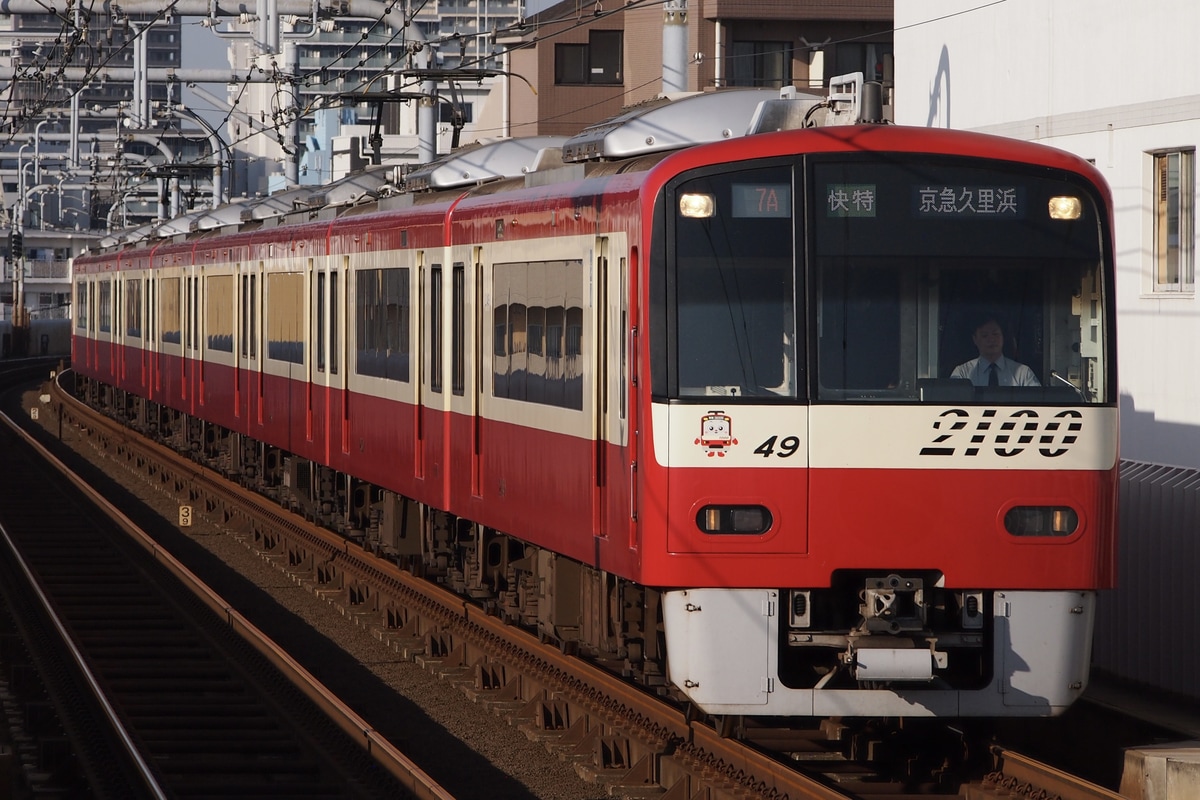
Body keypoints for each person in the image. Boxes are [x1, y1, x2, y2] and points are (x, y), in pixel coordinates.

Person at [951, 317, 1040, 387]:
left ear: (1003, 337)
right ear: (975, 339)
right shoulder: (962, 373)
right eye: (985, 335)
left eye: (995, 334)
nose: (991, 339)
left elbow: (1038, 403)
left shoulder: (1023, 373)